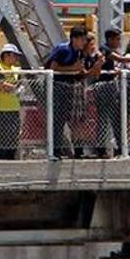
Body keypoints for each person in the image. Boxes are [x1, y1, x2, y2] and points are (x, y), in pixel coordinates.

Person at [45, 26, 93, 160]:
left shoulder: (79, 52)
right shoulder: (63, 49)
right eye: (82, 39)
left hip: (69, 87)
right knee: (57, 119)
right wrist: (72, 68)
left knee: (68, 118)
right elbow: (52, 68)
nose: (84, 42)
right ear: (74, 39)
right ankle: (54, 150)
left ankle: (70, 149)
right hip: (57, 86)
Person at [92, 28, 128, 157]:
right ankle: (101, 148)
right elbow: (122, 59)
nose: (119, 42)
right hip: (105, 86)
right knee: (104, 118)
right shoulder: (105, 50)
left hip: (111, 86)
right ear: (110, 39)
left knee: (115, 118)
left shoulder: (108, 50)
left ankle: (118, 147)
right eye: (117, 39)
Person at [0, 43, 23, 160]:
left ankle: (10, 158)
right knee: (1, 134)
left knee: (14, 134)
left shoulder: (16, 70)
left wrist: (12, 88)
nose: (17, 58)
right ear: (6, 55)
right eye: (15, 56)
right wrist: (14, 88)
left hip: (13, 107)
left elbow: (18, 84)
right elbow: (2, 85)